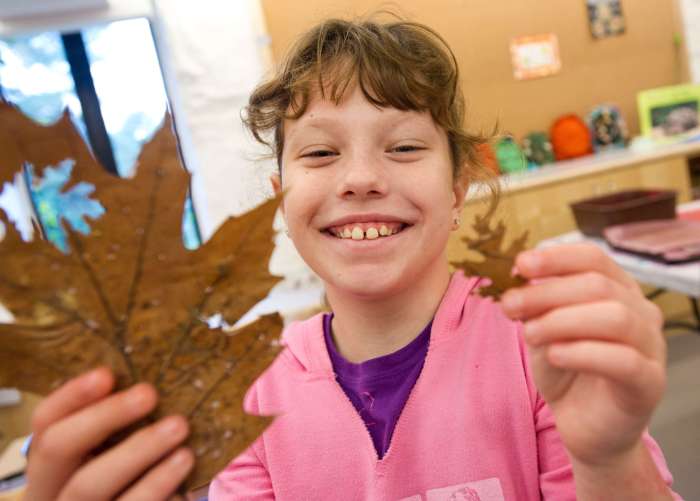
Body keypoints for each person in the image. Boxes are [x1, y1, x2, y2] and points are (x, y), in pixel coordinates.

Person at [23, 15, 680, 501]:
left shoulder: (535, 350)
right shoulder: (254, 391)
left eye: (402, 147)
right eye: (319, 152)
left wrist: (610, 458)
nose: (361, 177)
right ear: (282, 199)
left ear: (457, 189)